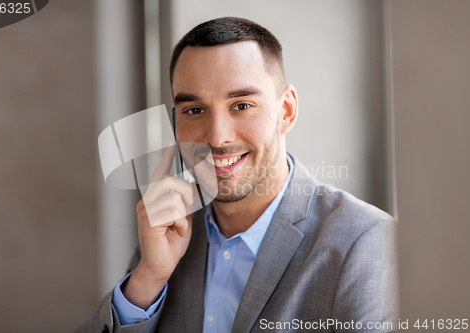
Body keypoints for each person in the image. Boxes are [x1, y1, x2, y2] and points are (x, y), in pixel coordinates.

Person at [76, 17, 398, 333]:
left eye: (242, 105)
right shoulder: (169, 226)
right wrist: (148, 277)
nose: (217, 138)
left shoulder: (366, 241)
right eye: (195, 110)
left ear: (285, 111)